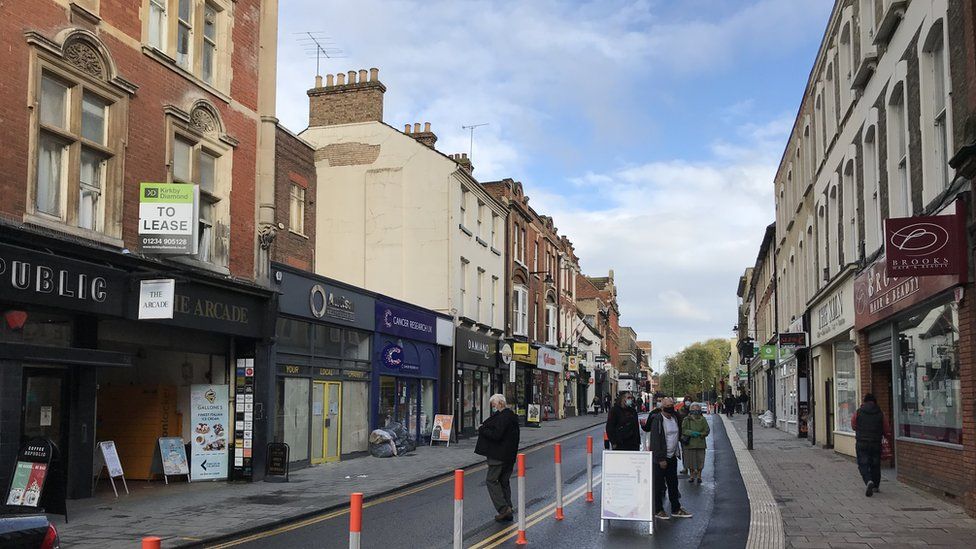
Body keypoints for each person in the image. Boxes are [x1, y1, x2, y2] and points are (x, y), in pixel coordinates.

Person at [643, 397, 692, 520]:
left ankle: (676, 508)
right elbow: (655, 440)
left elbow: (678, 433)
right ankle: (658, 510)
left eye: (672, 405)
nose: (671, 407)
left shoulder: (675, 418)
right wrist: (660, 459)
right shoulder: (658, 420)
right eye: (668, 405)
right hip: (661, 458)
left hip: (672, 456)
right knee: (658, 485)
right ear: (662, 407)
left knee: (673, 483)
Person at [475, 394, 520, 521]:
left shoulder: (503, 417)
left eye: (494, 405)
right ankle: (509, 507)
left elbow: (496, 435)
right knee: (503, 481)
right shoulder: (511, 416)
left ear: (500, 403)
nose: (493, 407)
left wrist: (482, 429)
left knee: (491, 480)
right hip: (509, 456)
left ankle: (504, 509)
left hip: (498, 456)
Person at [851, 393, 891, 497]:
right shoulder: (880, 413)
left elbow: (853, 425)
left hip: (862, 442)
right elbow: (886, 428)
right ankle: (876, 486)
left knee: (863, 463)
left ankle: (868, 480)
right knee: (875, 464)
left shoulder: (858, 412)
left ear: (864, 401)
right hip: (875, 442)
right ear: (875, 402)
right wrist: (887, 436)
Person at [681, 403, 710, 484]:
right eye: (693, 409)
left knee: (700, 460)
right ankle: (691, 476)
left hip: (700, 443)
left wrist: (700, 434)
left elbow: (707, 430)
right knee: (690, 461)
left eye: (697, 409)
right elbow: (683, 430)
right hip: (690, 444)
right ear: (690, 410)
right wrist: (692, 433)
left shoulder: (703, 419)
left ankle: (699, 476)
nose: (695, 411)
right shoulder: (687, 419)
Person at [678, 396, 693, 474]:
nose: (688, 402)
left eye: (689, 400)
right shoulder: (681, 411)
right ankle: (685, 467)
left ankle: (693, 468)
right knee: (684, 452)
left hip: (693, 434)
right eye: (687, 400)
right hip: (683, 434)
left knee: (693, 452)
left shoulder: (694, 410)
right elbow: (678, 423)